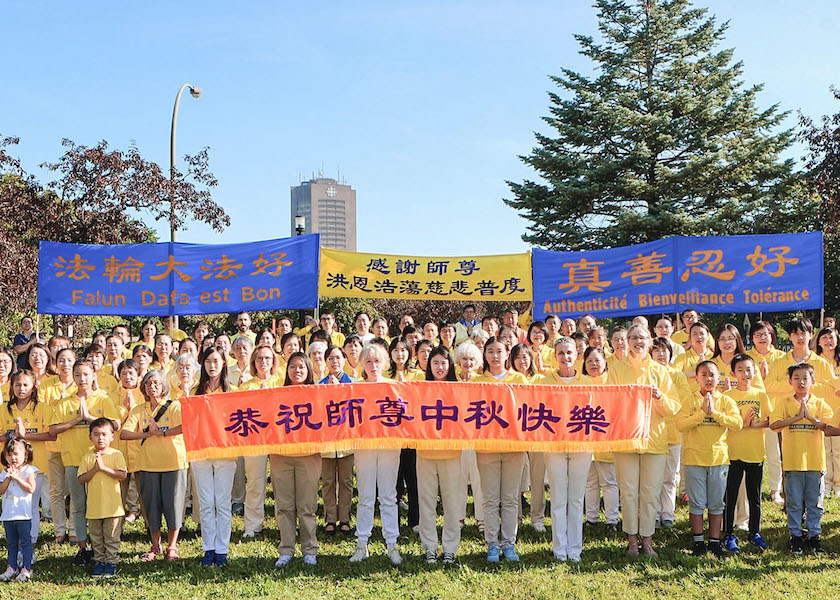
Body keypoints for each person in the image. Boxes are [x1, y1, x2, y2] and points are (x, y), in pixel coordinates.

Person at [606, 324, 679, 557]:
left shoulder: (660, 370)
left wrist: (659, 396)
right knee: (628, 492)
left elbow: (673, 407)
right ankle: (632, 541)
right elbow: (610, 403)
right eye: (633, 338)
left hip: (654, 440)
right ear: (626, 341)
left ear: (651, 342)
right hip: (626, 440)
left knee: (650, 492)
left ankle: (647, 539)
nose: (638, 342)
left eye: (643, 338)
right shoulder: (616, 369)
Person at [49, 360, 119, 566]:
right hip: (73, 460)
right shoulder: (65, 402)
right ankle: (82, 547)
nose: (82, 379)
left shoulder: (103, 399)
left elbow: (115, 424)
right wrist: (75, 420)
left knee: (99, 505)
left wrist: (90, 418)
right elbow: (53, 430)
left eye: (86, 374)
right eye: (77, 375)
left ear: (94, 375)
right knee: (78, 505)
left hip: (100, 460)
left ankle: (104, 548)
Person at [532, 337, 593, 562]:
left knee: (576, 499)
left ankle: (575, 548)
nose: (565, 357)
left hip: (582, 447)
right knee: (558, 498)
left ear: (577, 354)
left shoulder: (588, 383)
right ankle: (559, 548)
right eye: (561, 353)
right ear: (554, 357)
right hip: (554, 446)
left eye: (569, 352)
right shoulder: (543, 382)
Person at [677, 361, 742, 558]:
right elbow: (681, 424)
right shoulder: (690, 400)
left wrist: (714, 413)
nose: (708, 379)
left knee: (716, 503)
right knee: (696, 503)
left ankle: (714, 542)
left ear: (719, 378)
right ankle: (698, 542)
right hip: (694, 458)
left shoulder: (726, 401)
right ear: (696, 378)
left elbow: (737, 423)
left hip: (718, 459)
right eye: (703, 375)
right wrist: (701, 414)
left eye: (712, 374)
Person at [121, 370, 187, 562]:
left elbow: (184, 426)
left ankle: (172, 545)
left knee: (174, 505)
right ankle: (155, 545)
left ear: (164, 385)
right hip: (148, 464)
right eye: (149, 383)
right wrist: (147, 434)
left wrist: (162, 433)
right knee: (151, 506)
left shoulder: (174, 406)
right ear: (144, 388)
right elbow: (124, 433)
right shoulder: (138, 410)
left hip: (174, 462)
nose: (153, 387)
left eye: (157, 383)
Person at [770, 363, 835, 555]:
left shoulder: (820, 403)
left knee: (815, 502)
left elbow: (829, 427)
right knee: (794, 503)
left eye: (805, 378)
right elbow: (774, 425)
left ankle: (814, 536)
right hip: (792, 463)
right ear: (790, 381)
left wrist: (812, 419)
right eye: (796, 378)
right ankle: (796, 537)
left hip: (815, 463)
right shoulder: (784, 402)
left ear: (813, 381)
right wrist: (796, 418)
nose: (801, 382)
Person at [474, 338, 529, 562]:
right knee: (489, 499)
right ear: (484, 355)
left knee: (510, 499)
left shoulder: (520, 380)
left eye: (499, 351)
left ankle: (509, 544)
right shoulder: (477, 382)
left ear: (508, 354)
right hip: (486, 448)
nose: (495, 356)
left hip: (514, 448)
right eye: (490, 352)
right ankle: (492, 545)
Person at [350, 344, 402, 565]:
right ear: (362, 364)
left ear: (385, 362)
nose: (373, 366)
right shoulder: (354, 388)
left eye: (377, 361)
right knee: (365, 496)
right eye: (368, 361)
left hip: (390, 446)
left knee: (389, 495)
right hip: (364, 447)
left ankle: (392, 544)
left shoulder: (396, 387)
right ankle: (362, 543)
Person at [271, 352, 322, 567]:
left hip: (309, 456)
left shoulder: (318, 394)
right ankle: (286, 549)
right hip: (281, 456)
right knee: (284, 506)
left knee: (307, 506)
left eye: (302, 366)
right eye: (293, 366)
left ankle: (310, 549)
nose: (297, 370)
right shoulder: (277, 395)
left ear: (309, 370)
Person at [418, 346, 463, 564]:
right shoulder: (420, 389)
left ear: (450, 365)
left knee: (452, 503)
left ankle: (450, 548)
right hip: (425, 453)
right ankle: (429, 547)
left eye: (444, 363)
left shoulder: (459, 390)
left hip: (452, 454)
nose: (439, 367)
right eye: (435, 363)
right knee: (426, 503)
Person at [191, 347, 237, 566]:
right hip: (201, 452)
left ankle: (222, 549)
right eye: (208, 361)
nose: (212, 366)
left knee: (223, 502)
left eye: (216, 361)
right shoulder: (195, 391)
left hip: (225, 453)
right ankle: (208, 547)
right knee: (207, 503)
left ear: (224, 363)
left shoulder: (233, 391)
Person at [722, 354, 771, 553]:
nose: (745, 374)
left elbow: (770, 420)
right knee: (730, 496)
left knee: (754, 496)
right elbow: (725, 423)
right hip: (732, 453)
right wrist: (740, 423)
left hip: (755, 452)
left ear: (755, 371)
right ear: (733, 373)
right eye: (740, 370)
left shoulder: (760, 394)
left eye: (749, 369)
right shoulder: (728, 397)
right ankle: (728, 533)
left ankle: (754, 532)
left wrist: (754, 424)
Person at [237, 345, 283, 538]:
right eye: (259, 359)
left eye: (267, 358)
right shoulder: (246, 386)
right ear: (253, 362)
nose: (263, 362)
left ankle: (284, 524)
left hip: (279, 439)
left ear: (273, 361)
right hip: (255, 440)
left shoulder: (281, 382)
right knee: (255, 483)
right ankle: (253, 525)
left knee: (282, 484)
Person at [2, 370, 52, 550]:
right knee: (13, 504)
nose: (21, 389)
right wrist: (12, 435)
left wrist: (25, 436)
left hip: (35, 465)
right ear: (11, 386)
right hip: (10, 466)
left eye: (25, 385)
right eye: (17, 385)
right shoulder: (4, 409)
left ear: (33, 387)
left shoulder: (43, 408)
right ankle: (15, 546)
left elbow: (51, 435)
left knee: (31, 506)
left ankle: (30, 543)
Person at [77, 418, 126, 578]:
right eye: (96, 434)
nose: (100, 438)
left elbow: (122, 474)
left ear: (112, 436)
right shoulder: (87, 457)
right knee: (97, 538)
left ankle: (111, 562)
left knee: (111, 537)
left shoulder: (116, 454)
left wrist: (104, 468)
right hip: (94, 507)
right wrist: (95, 469)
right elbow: (81, 479)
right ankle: (100, 561)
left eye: (104, 434)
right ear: (90, 437)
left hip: (113, 508)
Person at [649, 338, 690, 529]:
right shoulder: (647, 373)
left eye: (665, 350)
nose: (661, 354)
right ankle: (653, 513)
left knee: (670, 477)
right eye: (656, 350)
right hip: (651, 434)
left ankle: (667, 513)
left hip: (672, 433)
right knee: (652, 478)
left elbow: (682, 399)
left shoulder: (678, 375)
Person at [746, 320, 786, 504]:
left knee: (774, 453)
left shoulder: (782, 358)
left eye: (766, 334)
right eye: (758, 335)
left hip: (776, 411)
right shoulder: (746, 357)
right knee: (752, 455)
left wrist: (767, 379)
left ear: (772, 336)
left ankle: (775, 490)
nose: (762, 338)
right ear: (752, 338)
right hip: (752, 412)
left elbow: (787, 385)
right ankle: (751, 490)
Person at [580, 347, 619, 532]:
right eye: (589, 361)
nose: (594, 364)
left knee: (609, 481)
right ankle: (592, 518)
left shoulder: (612, 382)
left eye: (597, 360)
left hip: (606, 439)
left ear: (605, 362)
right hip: (586, 439)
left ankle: (612, 520)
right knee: (590, 481)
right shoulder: (580, 383)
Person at [319, 346, 355, 535]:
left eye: (338, 358)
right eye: (331, 358)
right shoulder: (319, 384)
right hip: (327, 442)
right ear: (326, 362)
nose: (335, 362)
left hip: (346, 442)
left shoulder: (353, 383)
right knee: (328, 481)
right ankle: (330, 518)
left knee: (346, 481)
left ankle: (345, 518)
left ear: (345, 360)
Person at [455, 342, 484, 531]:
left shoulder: (482, 382)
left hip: (476, 436)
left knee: (478, 478)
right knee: (458, 478)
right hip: (457, 436)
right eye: (464, 359)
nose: (468, 363)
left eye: (472, 359)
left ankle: (481, 518)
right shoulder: (452, 381)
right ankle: (458, 518)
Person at [0, 437, 38, 582]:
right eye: (9, 455)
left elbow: (31, 489)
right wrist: (8, 478)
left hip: (23, 514)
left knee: (26, 542)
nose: (13, 458)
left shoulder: (29, 470)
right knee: (11, 542)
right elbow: (1, 490)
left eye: (16, 454)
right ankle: (11, 567)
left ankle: (27, 568)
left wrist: (17, 478)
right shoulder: (5, 473)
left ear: (25, 455)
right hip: (8, 515)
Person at [113, 360, 143, 524]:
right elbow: (114, 423)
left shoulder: (145, 394)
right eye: (123, 373)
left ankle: (149, 527)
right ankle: (117, 528)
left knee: (143, 492)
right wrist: (127, 410)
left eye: (131, 373)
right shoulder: (112, 396)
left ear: (138, 375)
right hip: (119, 449)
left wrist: (134, 408)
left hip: (139, 450)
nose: (127, 377)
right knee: (119, 492)